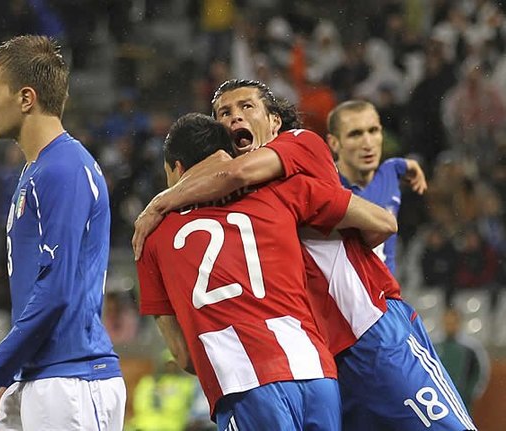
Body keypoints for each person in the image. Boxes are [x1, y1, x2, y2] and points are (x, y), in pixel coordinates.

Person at [133, 80, 476, 430]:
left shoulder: (298, 145)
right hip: (318, 360)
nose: (235, 117)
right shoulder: (233, 197)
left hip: (369, 330)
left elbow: (382, 224)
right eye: (224, 113)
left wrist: (159, 203)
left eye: (246, 107)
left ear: (275, 122)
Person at [137, 112, 397, 430]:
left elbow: (185, 357)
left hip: (242, 384)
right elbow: (383, 222)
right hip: (315, 373)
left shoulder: (150, 237)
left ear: (176, 169)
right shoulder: (279, 191)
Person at [0, 35, 126, 430]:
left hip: (72, 380)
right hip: (40, 375)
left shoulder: (64, 168)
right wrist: (14, 376)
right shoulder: (39, 170)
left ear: (26, 98)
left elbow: (56, 290)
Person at [326, 99, 428, 274]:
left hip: (387, 295)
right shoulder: (324, 186)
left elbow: (402, 165)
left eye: (373, 131)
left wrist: (412, 166)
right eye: (355, 134)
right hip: (340, 297)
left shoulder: (390, 170)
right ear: (334, 143)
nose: (368, 143)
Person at [434, 308, 490, 411]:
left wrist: (470, 393)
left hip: (462, 400)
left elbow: (480, 372)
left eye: (453, 322)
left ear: (459, 323)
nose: (450, 326)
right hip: (438, 399)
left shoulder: (471, 347)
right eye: (447, 322)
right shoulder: (434, 345)